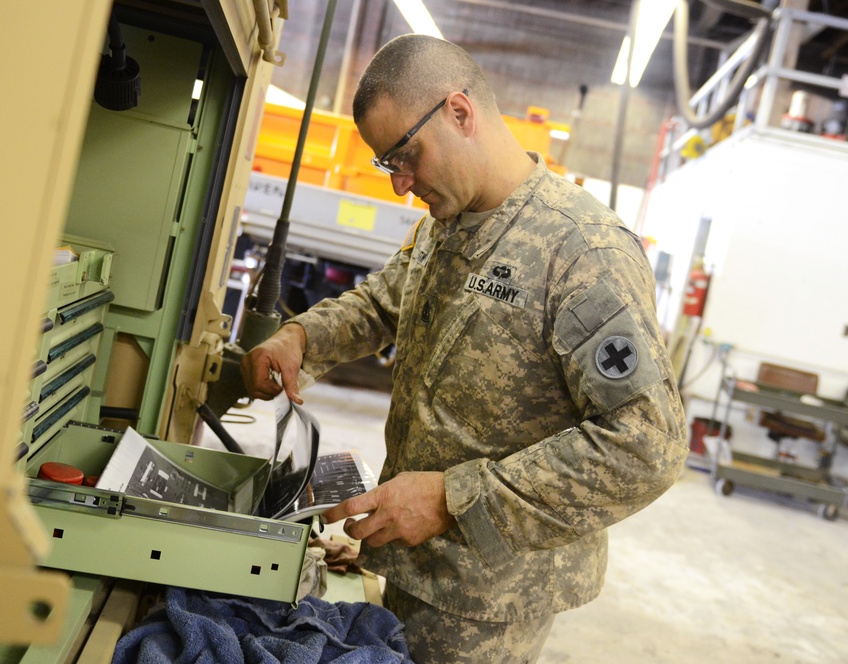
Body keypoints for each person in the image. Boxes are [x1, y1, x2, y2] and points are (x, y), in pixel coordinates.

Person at [241, 34, 687, 663]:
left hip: (486, 599)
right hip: (415, 562)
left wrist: (455, 499)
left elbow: (648, 446)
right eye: (386, 164)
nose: (400, 184)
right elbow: (384, 302)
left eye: (405, 155)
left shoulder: (582, 252)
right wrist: (302, 337)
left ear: (459, 112)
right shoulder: (447, 223)